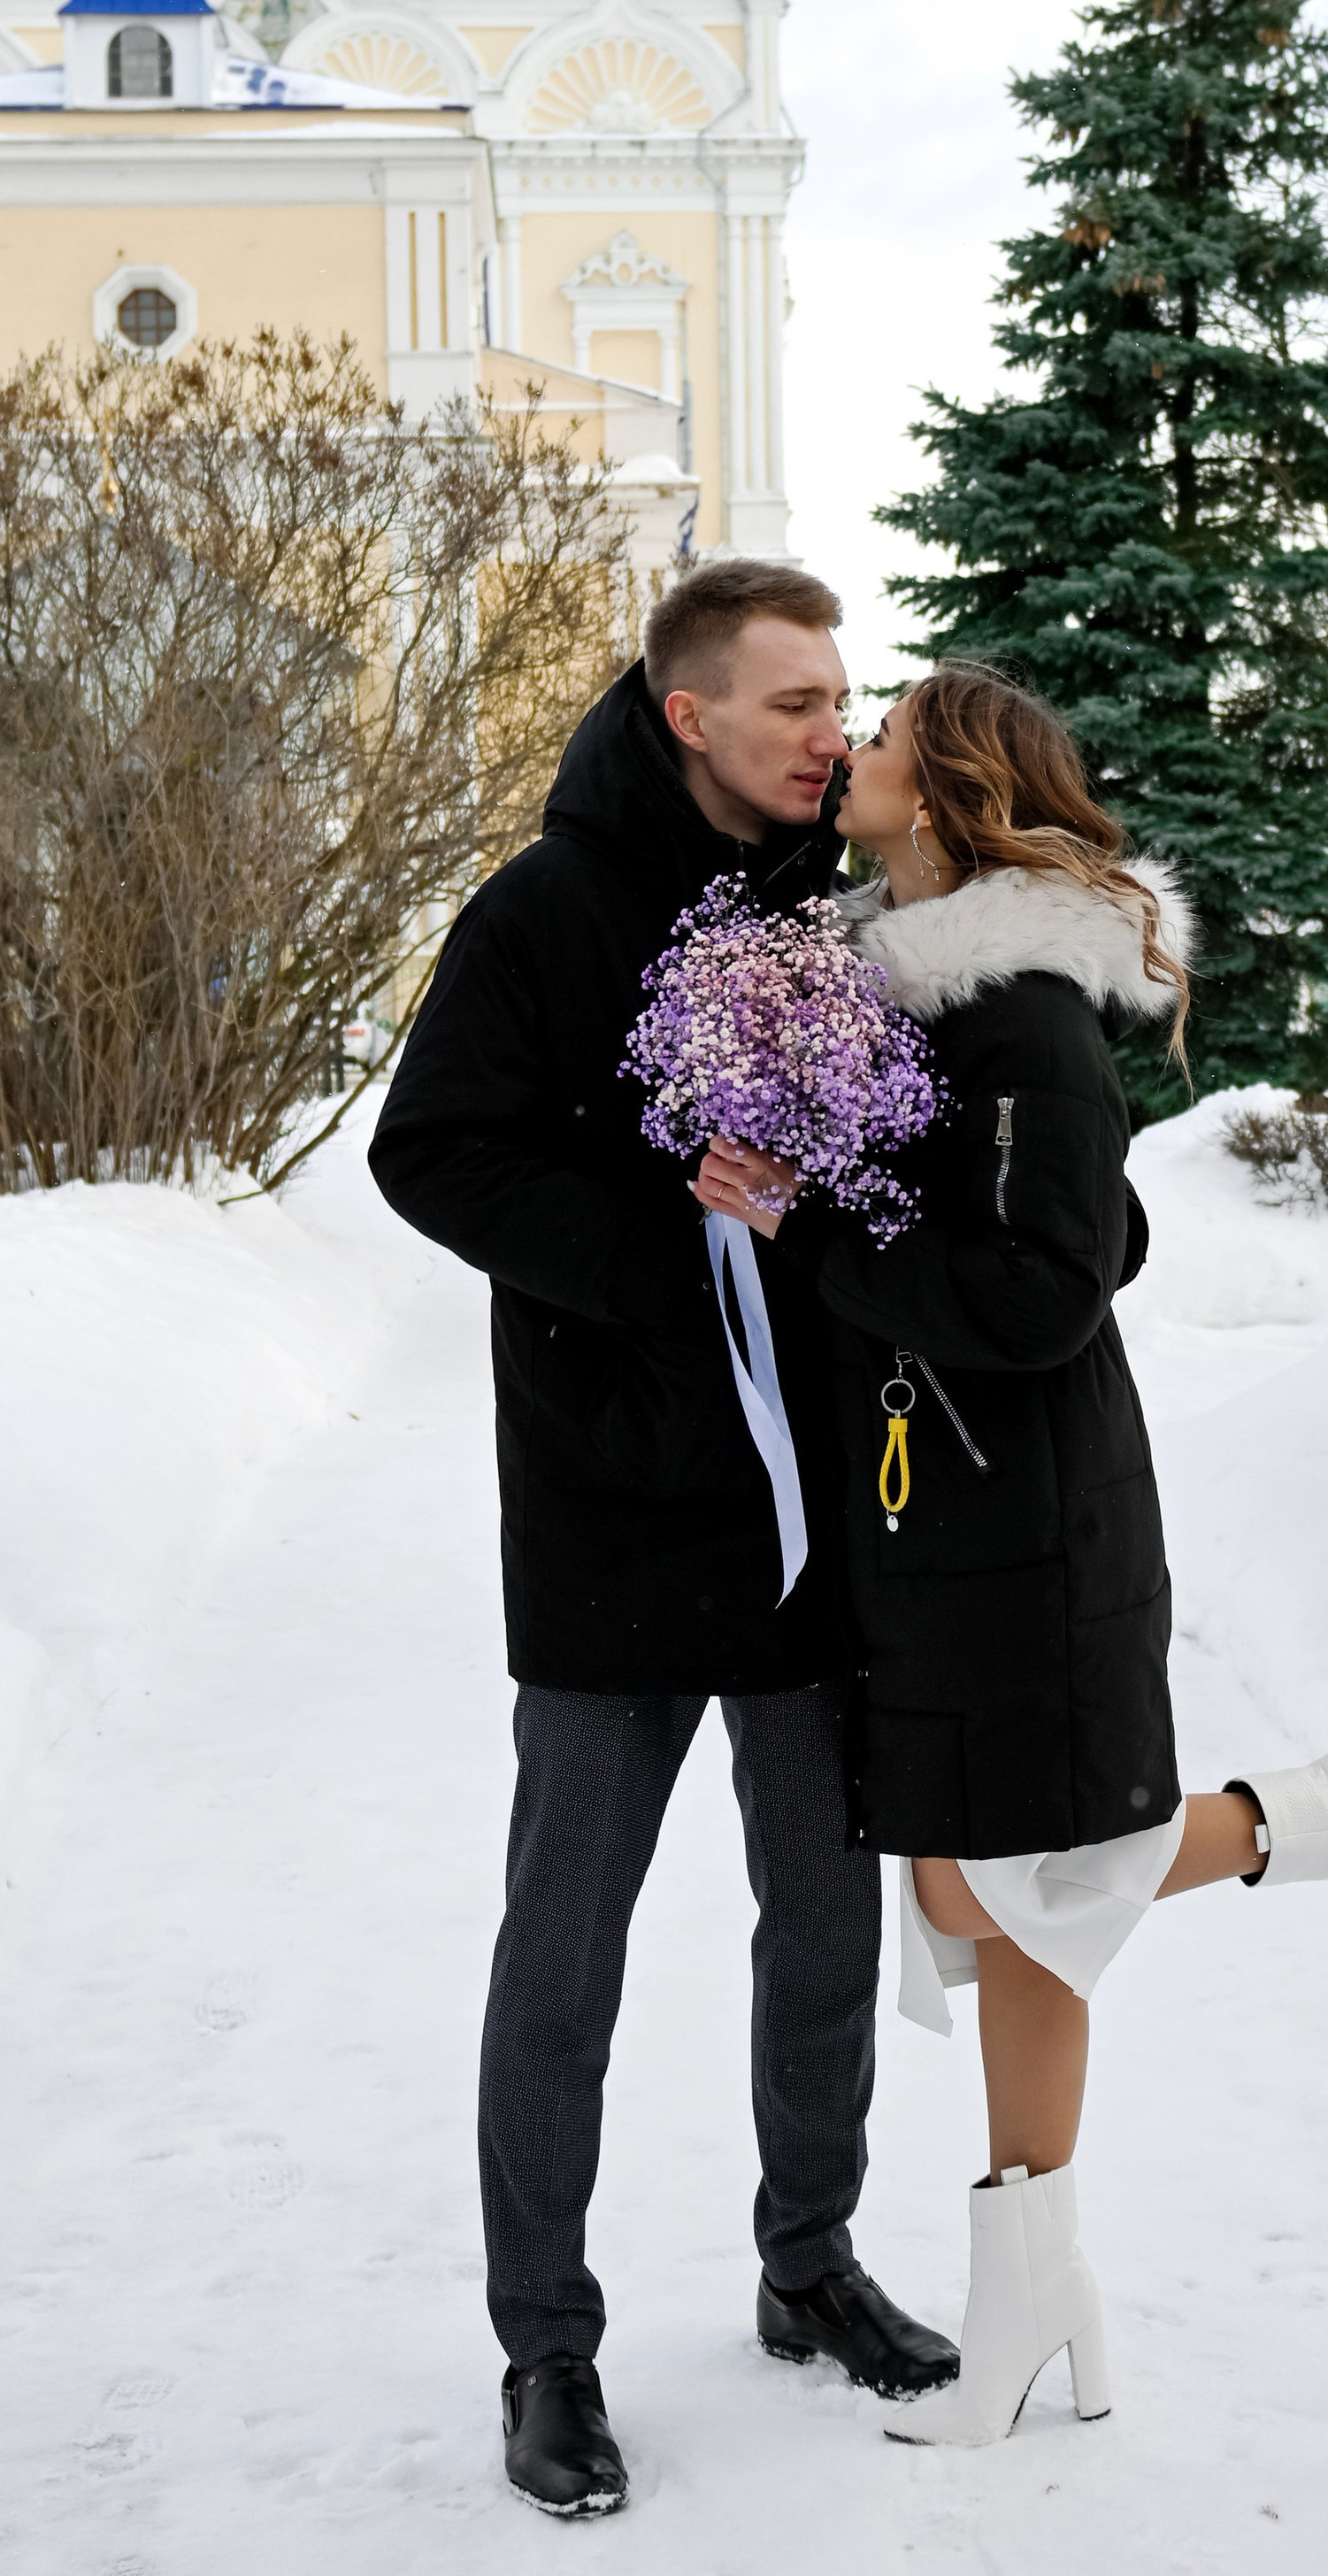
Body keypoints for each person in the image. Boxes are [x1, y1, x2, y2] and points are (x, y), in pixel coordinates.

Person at [699, 664, 1328, 2449]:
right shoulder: (921, 996)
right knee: (996, 1905)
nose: (850, 755)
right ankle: (1032, 2302)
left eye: (878, 737)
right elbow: (1088, 1222)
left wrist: (811, 1226)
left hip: (1027, 1524)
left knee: (993, 1886)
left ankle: (1314, 1823)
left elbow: (1044, 1287)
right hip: (946, 1512)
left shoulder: (1019, 1005)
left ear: (949, 791)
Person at [368, 560, 957, 2522]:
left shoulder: (838, 919)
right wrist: (653, 1251)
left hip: (804, 1529)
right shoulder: (541, 911)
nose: (832, 732)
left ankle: (809, 2264)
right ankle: (545, 2343)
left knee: (821, 1912)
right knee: (569, 1944)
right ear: (688, 713)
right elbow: (427, 1149)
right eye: (795, 701)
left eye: (840, 697)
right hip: (613, 1508)